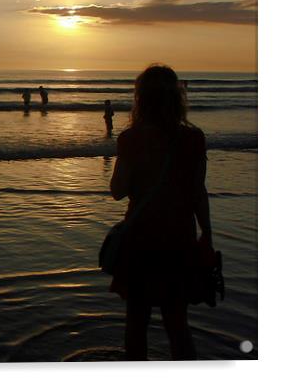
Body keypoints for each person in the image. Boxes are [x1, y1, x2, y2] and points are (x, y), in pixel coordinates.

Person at [109, 64, 211, 361]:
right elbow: (198, 192)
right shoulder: (193, 138)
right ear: (177, 98)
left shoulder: (131, 139)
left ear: (140, 98)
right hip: (179, 238)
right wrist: (207, 234)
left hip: (141, 239)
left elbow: (117, 191)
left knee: (136, 324)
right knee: (178, 325)